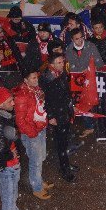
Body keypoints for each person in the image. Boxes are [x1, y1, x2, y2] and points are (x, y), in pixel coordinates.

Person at [14, 70, 52, 200]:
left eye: (37, 77)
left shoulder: (36, 90)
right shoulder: (21, 96)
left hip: (40, 128)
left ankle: (39, 181)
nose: (36, 80)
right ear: (26, 80)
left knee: (40, 157)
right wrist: (32, 132)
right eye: (33, 78)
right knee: (35, 161)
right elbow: (20, 120)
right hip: (33, 132)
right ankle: (37, 188)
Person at [40, 52, 77, 182]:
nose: (63, 64)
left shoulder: (61, 73)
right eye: (59, 62)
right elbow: (45, 99)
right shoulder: (46, 78)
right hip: (56, 114)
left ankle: (66, 163)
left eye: (63, 62)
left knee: (65, 140)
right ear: (51, 64)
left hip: (64, 111)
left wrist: (71, 106)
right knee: (60, 143)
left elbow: (66, 92)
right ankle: (64, 169)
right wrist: (50, 116)